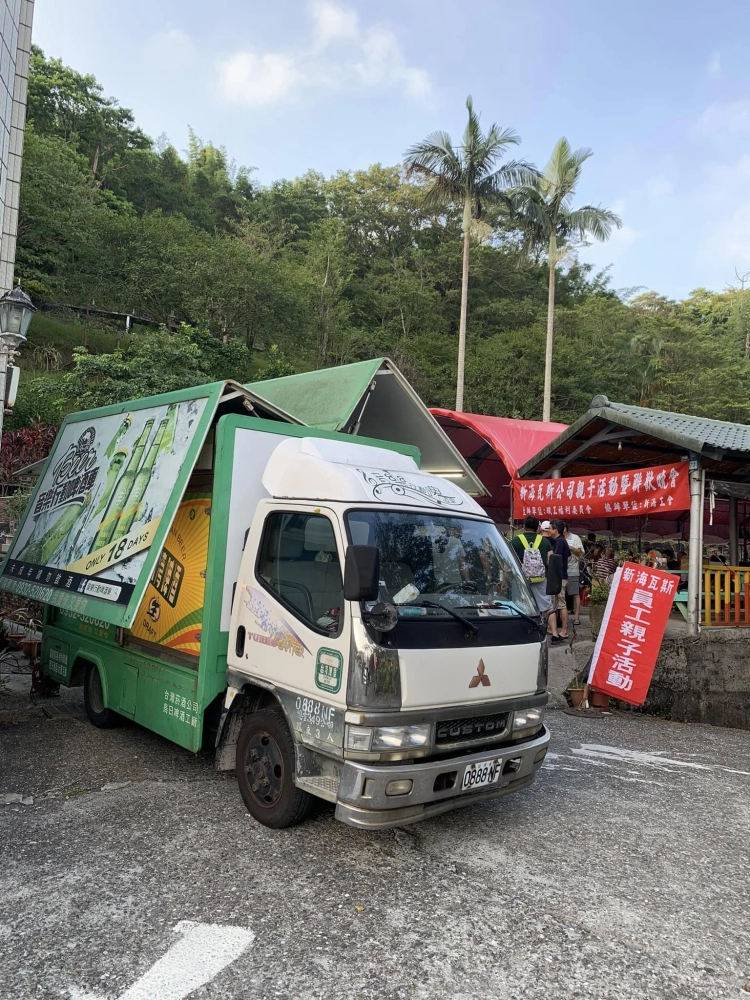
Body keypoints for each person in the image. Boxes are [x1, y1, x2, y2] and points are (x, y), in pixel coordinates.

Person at [511, 515, 552, 616]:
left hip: (520, 579)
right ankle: (552, 626)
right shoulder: (545, 541)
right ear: (538, 527)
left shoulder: (515, 541)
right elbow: (551, 560)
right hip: (540, 579)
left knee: (520, 606)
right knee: (547, 608)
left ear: (524, 526)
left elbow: (508, 562)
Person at [547, 520, 570, 641]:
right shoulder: (561, 541)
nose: (549, 530)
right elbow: (569, 557)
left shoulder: (560, 542)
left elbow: (555, 559)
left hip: (559, 577)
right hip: (560, 576)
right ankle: (554, 628)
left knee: (561, 604)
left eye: (550, 528)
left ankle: (564, 630)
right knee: (556, 603)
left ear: (556, 530)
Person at [563, 523, 585, 626]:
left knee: (575, 594)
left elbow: (581, 553)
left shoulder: (575, 538)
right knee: (560, 595)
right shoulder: (557, 538)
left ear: (564, 528)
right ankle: (562, 618)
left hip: (572, 571)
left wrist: (571, 548)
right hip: (560, 571)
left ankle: (576, 618)